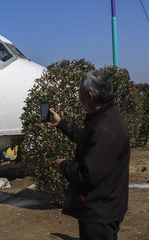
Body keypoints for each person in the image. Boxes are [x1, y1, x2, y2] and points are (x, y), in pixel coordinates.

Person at [47, 70, 130, 240]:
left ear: (90, 96)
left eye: (80, 92)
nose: (78, 96)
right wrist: (61, 123)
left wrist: (63, 166)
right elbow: (88, 140)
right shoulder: (106, 117)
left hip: (100, 211)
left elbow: (88, 175)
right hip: (107, 204)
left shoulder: (104, 128)